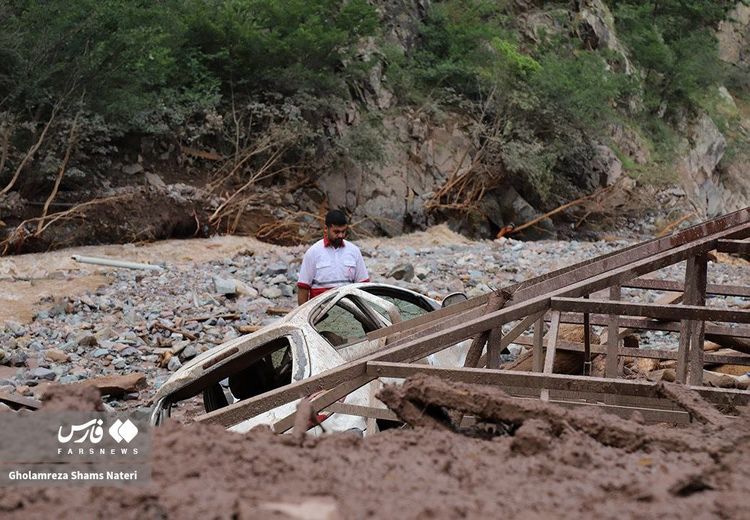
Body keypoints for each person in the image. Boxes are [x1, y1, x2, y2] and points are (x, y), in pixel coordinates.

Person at [296, 209, 369, 305]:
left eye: (344, 231)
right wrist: (303, 317)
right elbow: (303, 288)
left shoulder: (354, 251)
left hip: (349, 312)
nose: (341, 235)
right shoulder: (313, 253)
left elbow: (364, 285)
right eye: (336, 232)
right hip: (320, 314)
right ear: (326, 229)